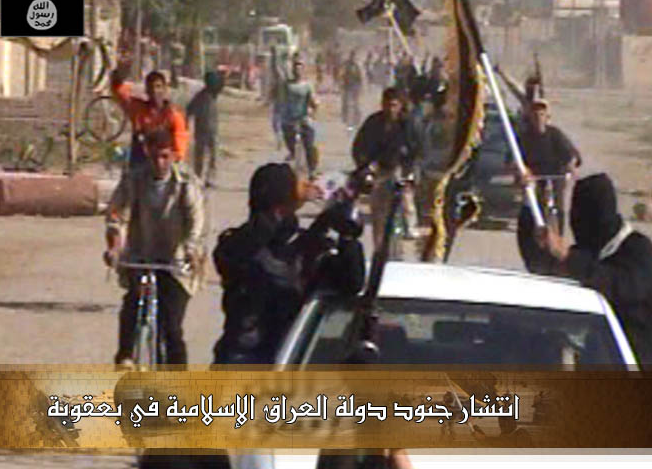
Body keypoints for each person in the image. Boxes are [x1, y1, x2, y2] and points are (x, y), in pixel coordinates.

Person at [212, 162, 365, 365]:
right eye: (298, 184)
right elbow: (256, 252)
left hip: (290, 357)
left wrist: (345, 232)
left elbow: (352, 283)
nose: (308, 185)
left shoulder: (305, 245)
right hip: (243, 360)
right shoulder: (237, 245)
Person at [104, 128, 205, 367]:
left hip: (176, 261)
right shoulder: (134, 179)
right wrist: (115, 247)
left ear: (173, 156)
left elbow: (196, 223)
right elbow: (116, 213)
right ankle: (125, 357)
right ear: (147, 153)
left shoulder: (186, 183)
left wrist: (191, 250)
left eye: (164, 156)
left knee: (171, 326)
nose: (159, 163)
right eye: (154, 157)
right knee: (132, 305)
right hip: (142, 255)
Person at [535, 173, 652, 367]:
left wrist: (568, 257)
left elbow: (620, 285)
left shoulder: (638, 250)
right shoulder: (589, 253)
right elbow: (541, 271)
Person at [353, 87, 424, 250]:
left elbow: (419, 149)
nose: (390, 109)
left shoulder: (409, 124)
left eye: (394, 105)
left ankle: (410, 228)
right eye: (387, 104)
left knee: (406, 199)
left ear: (400, 105)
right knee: (378, 211)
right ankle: (379, 247)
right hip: (379, 170)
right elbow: (359, 147)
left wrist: (411, 170)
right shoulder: (373, 122)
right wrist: (365, 167)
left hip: (401, 169)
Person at [517, 95, 581, 236]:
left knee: (559, 204)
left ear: (547, 117)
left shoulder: (555, 134)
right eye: (535, 115)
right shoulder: (524, 137)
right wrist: (524, 172)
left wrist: (570, 167)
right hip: (536, 176)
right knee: (535, 205)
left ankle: (560, 234)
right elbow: (515, 159)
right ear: (530, 117)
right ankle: (535, 232)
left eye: (541, 114)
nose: (538, 118)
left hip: (556, 174)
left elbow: (571, 154)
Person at [110, 65, 189, 170]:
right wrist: (119, 73)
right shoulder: (138, 109)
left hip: (164, 166)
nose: (154, 91)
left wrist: (174, 158)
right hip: (140, 164)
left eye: (158, 86)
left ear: (165, 89)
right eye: (151, 87)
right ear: (146, 91)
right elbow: (119, 91)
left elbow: (180, 144)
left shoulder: (174, 116)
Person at [281, 57, 321, 179]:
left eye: (300, 67)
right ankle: (292, 152)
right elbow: (281, 100)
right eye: (295, 68)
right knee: (287, 135)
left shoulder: (307, 86)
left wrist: (314, 108)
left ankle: (312, 170)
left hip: (304, 118)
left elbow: (313, 101)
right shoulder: (287, 85)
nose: (297, 70)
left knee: (309, 145)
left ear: (303, 70)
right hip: (289, 119)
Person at [186, 70, 225, 188]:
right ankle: (198, 177)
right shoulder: (200, 97)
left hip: (213, 131)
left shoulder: (213, 96)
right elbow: (189, 110)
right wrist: (186, 124)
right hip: (201, 131)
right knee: (200, 156)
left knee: (213, 156)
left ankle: (209, 179)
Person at [341, 50, 364, 132]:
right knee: (347, 104)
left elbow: (360, 77)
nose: (353, 58)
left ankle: (356, 120)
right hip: (348, 87)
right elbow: (343, 75)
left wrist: (361, 87)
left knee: (356, 104)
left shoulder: (357, 66)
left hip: (355, 87)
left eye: (354, 56)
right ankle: (347, 120)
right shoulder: (347, 65)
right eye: (352, 56)